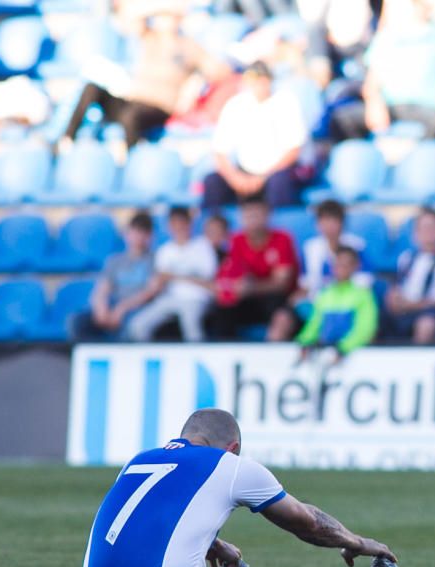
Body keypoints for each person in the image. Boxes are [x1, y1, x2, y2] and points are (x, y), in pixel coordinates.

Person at [74, 408, 403, 567]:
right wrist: (356, 541)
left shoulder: (139, 459)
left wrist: (214, 544)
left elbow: (142, 523)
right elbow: (308, 522)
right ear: (233, 448)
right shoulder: (229, 465)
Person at [61, 1, 229, 150]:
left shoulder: (189, 47)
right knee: (92, 89)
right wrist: (160, 6)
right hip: (133, 101)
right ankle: (67, 140)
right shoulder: (149, 37)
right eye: (162, 16)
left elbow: (219, 72)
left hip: (159, 107)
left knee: (131, 117)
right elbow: (128, 14)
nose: (164, 21)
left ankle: (131, 160)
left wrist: (196, 82)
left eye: (169, 16)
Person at [329, 0, 435, 139]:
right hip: (390, 106)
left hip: (428, 109)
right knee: (341, 119)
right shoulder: (387, 38)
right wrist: (375, 104)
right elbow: (371, 83)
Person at [203, 61, 310, 209]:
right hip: (243, 172)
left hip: (276, 172)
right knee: (212, 182)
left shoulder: (285, 102)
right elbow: (219, 151)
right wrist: (234, 178)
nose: (259, 85)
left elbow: (294, 149)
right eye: (254, 81)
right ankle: (214, 229)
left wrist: (263, 177)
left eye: (262, 80)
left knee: (280, 183)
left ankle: (283, 228)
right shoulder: (236, 105)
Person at [267, 199, 370, 342]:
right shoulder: (310, 248)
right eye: (324, 221)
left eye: (333, 221)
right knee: (282, 318)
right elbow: (306, 285)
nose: (328, 226)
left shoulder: (357, 246)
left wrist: (332, 293)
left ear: (342, 223)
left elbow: (364, 284)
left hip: (345, 307)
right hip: (316, 304)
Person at [209, 198, 299, 340]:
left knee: (281, 315)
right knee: (222, 308)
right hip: (248, 299)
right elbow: (232, 275)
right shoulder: (236, 240)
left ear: (268, 215)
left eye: (257, 214)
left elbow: (281, 284)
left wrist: (252, 287)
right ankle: (223, 354)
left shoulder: (282, 239)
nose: (253, 220)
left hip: (277, 299)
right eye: (249, 215)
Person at [127, 207, 218, 343]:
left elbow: (210, 283)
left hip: (196, 298)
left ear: (190, 224)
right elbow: (158, 283)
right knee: (137, 326)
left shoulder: (203, 246)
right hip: (170, 298)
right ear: (169, 226)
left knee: (191, 327)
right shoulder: (164, 251)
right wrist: (158, 283)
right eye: (175, 224)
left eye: (182, 223)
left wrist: (173, 276)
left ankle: (196, 361)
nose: (179, 227)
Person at [70, 211, 155, 342]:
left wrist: (122, 308)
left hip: (137, 308)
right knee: (78, 321)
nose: (138, 237)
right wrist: (101, 309)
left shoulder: (154, 260)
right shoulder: (114, 261)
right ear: (127, 233)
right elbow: (102, 289)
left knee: (133, 325)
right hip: (113, 305)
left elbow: (149, 292)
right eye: (135, 231)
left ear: (150, 236)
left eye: (143, 232)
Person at [384, 207, 435, 345]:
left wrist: (419, 305)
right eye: (421, 228)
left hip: (432, 310)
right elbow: (396, 286)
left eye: (431, 228)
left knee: (426, 324)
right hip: (405, 309)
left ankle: (416, 364)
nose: (426, 233)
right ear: (415, 234)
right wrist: (394, 299)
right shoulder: (406, 258)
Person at [295, 246, 378, 360]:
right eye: (338, 264)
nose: (341, 268)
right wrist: (304, 342)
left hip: (351, 356)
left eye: (346, 265)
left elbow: (365, 329)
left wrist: (343, 348)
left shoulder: (363, 295)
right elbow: (314, 325)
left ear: (355, 267)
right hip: (325, 356)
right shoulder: (325, 294)